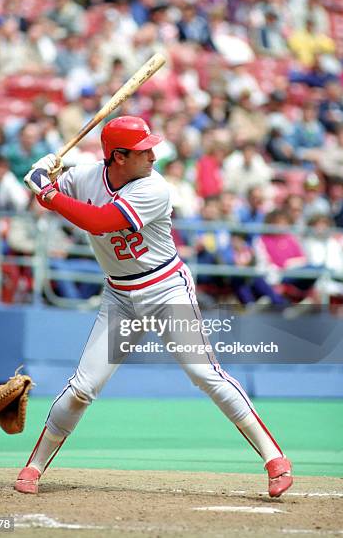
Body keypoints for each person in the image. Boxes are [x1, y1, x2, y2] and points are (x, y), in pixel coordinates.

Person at [17, 116, 293, 497]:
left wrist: (46, 192)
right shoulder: (85, 177)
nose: (153, 155)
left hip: (166, 290)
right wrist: (41, 174)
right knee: (83, 388)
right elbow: (48, 190)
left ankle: (274, 459)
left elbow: (100, 222)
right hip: (120, 297)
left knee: (204, 374)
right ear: (117, 156)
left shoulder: (154, 188)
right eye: (143, 149)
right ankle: (33, 467)